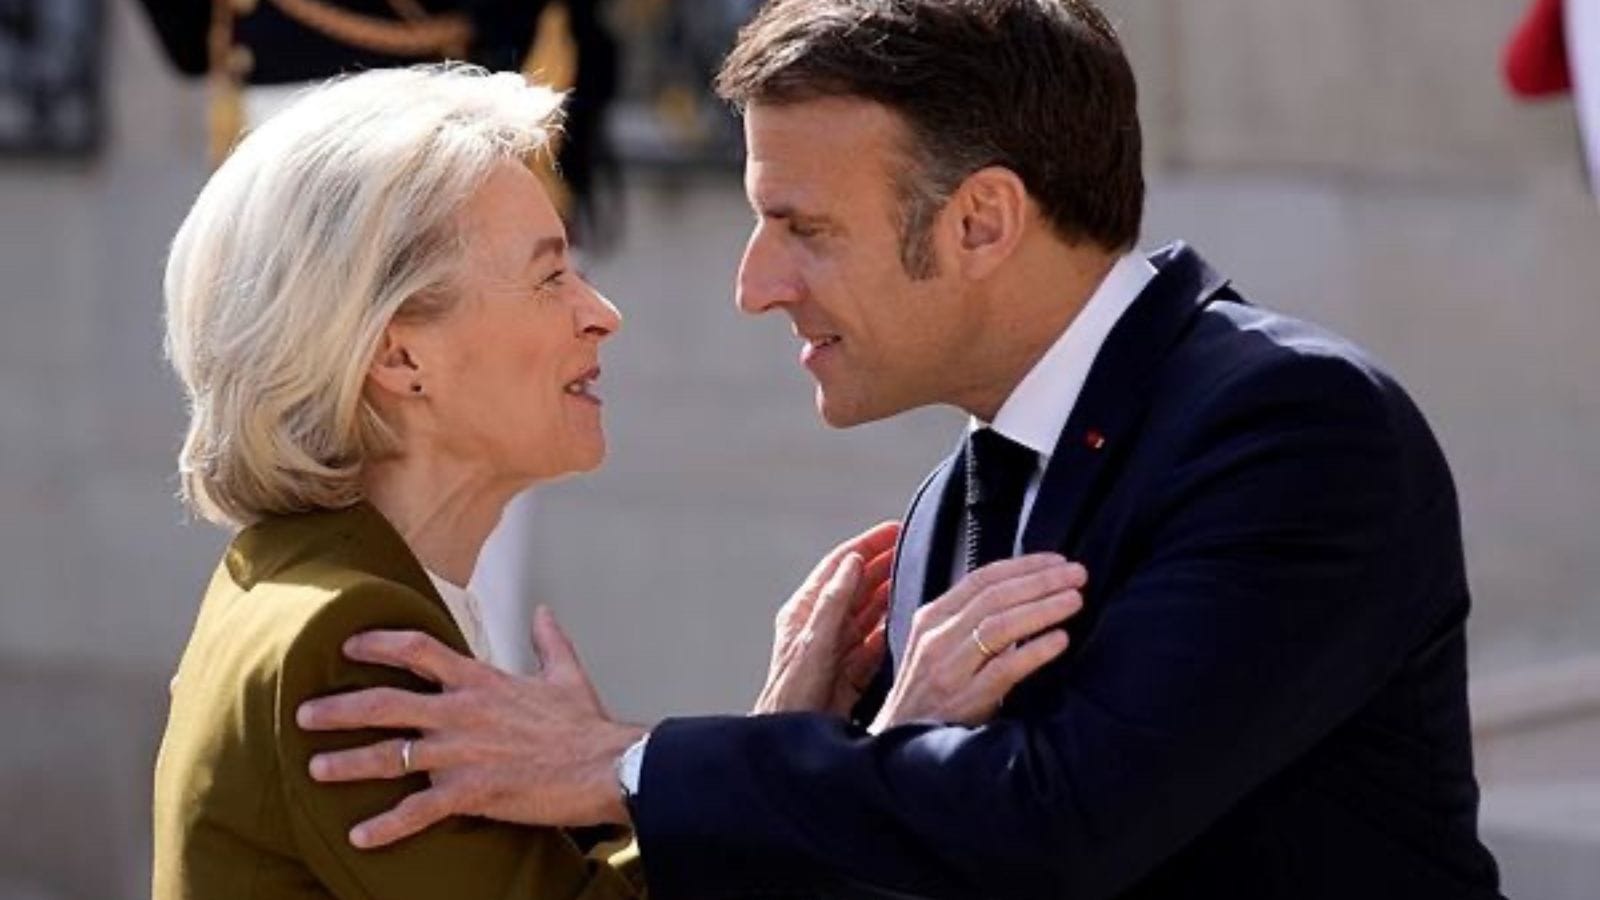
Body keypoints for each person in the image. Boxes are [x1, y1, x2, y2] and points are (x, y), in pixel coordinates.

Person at [296, 2, 1506, 898]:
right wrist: (821, 745)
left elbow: (1062, 823)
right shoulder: (958, 491)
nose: (756, 287)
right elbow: (897, 853)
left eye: (803, 229)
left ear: (981, 220)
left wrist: (626, 764)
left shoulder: (1292, 429)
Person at [152, 64, 1081, 899]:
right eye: (549, 277)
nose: (602, 315)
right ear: (400, 353)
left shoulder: (305, 583)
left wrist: (775, 738)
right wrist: (882, 759)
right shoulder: (349, 635)